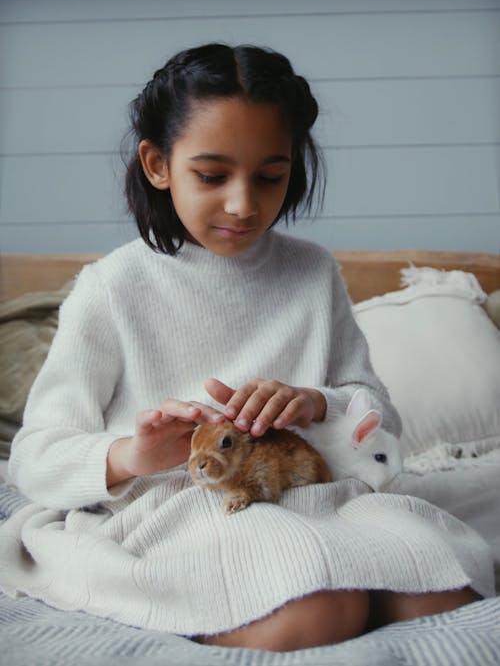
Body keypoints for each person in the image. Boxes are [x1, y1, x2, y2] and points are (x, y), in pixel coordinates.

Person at [0, 44, 493, 652]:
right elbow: (35, 457)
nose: (244, 204)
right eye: (211, 176)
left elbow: (380, 421)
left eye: (270, 177)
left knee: (441, 586)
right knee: (317, 615)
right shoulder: (113, 289)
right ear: (157, 164)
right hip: (183, 506)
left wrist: (318, 404)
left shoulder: (312, 272)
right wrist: (132, 454)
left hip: (310, 493)